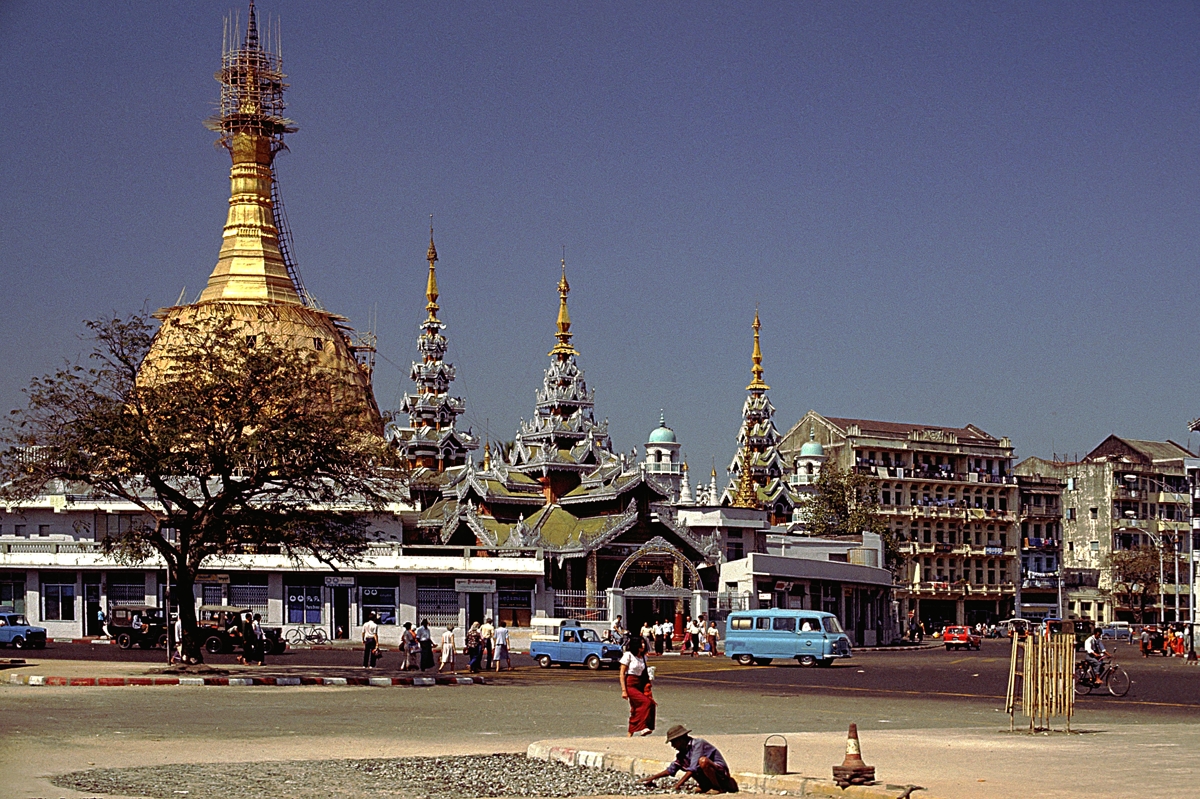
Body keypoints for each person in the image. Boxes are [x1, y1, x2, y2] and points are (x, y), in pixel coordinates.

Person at [641, 725, 739, 794]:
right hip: (706, 774)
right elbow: (671, 770)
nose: (672, 746)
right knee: (688, 764)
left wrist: (677, 785)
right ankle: (705, 786)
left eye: (673, 742)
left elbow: (693, 769)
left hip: (720, 773)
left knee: (702, 761)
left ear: (681, 739)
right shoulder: (682, 753)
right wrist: (651, 778)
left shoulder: (698, 744)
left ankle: (717, 788)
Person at [619, 635, 655, 737]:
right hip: (630, 684)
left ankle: (629, 734)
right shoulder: (628, 655)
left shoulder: (643, 657)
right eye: (641, 643)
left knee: (636, 709)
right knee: (646, 702)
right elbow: (622, 673)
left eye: (644, 643)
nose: (643, 645)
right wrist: (623, 690)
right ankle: (642, 727)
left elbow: (644, 673)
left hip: (640, 683)